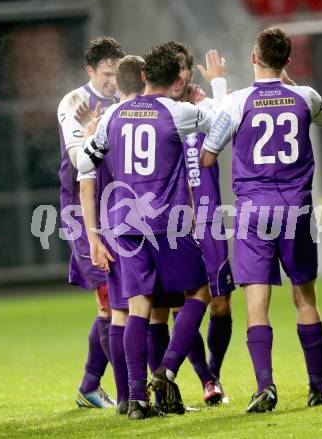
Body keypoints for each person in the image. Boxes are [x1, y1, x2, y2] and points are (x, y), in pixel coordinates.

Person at [78, 43, 227, 420]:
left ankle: (137, 400)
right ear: (178, 79)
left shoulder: (112, 116)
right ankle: (168, 370)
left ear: (144, 77)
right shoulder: (179, 112)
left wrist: (93, 235)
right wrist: (217, 90)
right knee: (199, 292)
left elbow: (86, 162)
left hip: (123, 224)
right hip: (166, 223)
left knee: (139, 307)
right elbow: (224, 121)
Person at [200, 27, 322, 413]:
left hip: (253, 212)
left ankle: (266, 388)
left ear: (253, 58)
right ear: (287, 62)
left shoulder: (238, 102)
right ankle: (317, 388)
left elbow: (209, 155)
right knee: (306, 297)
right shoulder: (305, 95)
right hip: (296, 209)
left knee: (257, 304)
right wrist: (289, 84)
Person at [146, 41, 233, 406]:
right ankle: (206, 380)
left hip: (210, 223)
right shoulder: (161, 117)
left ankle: (213, 370)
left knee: (220, 305)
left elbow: (230, 120)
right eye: (176, 68)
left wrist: (216, 87)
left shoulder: (199, 112)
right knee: (180, 307)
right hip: (173, 225)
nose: (181, 75)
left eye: (185, 67)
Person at [57, 36, 124, 408]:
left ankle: (89, 386)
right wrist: (93, 131)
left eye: (117, 74)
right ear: (91, 71)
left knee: (118, 299)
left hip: (117, 207)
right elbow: (79, 157)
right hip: (81, 209)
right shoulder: (74, 102)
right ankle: (132, 388)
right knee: (109, 298)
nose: (112, 81)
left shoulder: (122, 100)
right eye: (106, 74)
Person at [79, 55, 146, 416]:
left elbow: (84, 178)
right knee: (143, 310)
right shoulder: (154, 115)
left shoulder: (105, 123)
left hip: (113, 225)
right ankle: (143, 392)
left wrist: (94, 237)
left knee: (119, 311)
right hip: (148, 227)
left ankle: (125, 396)